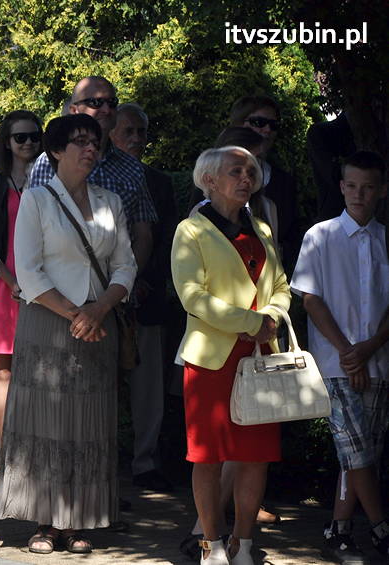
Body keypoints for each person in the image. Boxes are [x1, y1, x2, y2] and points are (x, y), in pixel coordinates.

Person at [0, 114, 136, 555]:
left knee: (90, 423)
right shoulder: (37, 199)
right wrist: (78, 314)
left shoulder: (110, 201)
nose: (89, 149)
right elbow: (29, 271)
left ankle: (78, 521)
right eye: (79, 142)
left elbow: (126, 265)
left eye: (94, 142)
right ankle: (44, 521)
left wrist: (100, 309)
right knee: (46, 420)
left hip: (98, 324)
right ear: (55, 151)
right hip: (49, 323)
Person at [172, 146, 290, 565]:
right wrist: (247, 320)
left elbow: (280, 287)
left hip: (260, 357)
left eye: (250, 171)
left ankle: (244, 545)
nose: (246, 177)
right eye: (235, 171)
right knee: (207, 457)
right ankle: (211, 544)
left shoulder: (261, 227)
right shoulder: (191, 230)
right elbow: (192, 296)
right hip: (212, 360)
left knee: (255, 456)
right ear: (209, 180)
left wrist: (271, 316)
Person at [291, 151, 389, 564]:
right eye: (351, 185)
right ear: (341, 186)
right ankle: (383, 528)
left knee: (362, 452)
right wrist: (349, 353)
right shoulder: (321, 235)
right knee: (357, 452)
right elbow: (310, 299)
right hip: (334, 364)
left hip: (380, 361)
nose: (358, 194)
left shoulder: (386, 238)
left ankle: (340, 528)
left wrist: (369, 349)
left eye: (367, 187)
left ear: (381, 190)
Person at [109, 102, 177, 493]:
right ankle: (104, 461)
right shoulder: (92, 172)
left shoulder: (160, 181)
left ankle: (145, 462)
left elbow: (164, 238)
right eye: (128, 131)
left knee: (148, 387)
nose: (137, 139)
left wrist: (144, 280)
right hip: (101, 301)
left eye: (141, 132)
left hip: (147, 299)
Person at [30, 77, 156, 277]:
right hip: (59, 289)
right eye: (95, 102)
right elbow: (34, 232)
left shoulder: (132, 168)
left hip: (113, 289)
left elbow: (143, 235)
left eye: (112, 103)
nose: (106, 109)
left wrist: (123, 286)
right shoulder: (49, 161)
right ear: (74, 110)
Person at [0, 110, 42, 475]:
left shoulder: (51, 183)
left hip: (44, 289)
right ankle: (5, 453)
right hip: (3, 288)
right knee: (4, 374)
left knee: (38, 376)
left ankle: (32, 451)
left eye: (34, 136)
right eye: (20, 137)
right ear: (7, 142)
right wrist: (11, 280)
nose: (28, 143)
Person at [229, 95, 300, 272]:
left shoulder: (284, 182)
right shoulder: (214, 176)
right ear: (238, 125)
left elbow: (291, 236)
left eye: (273, 125)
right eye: (259, 122)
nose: (267, 130)